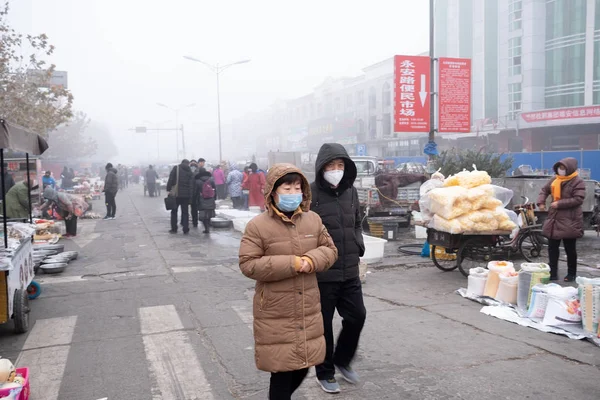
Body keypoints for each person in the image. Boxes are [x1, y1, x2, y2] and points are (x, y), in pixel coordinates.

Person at [239, 164, 338, 400]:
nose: (293, 192)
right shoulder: (258, 226)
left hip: (308, 306)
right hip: (276, 309)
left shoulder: (313, 220)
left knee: (304, 364)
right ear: (273, 191)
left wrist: (311, 261)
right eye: (287, 187)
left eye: (297, 187)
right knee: (282, 370)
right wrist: (292, 264)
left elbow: (330, 250)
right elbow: (248, 264)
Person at [310, 143, 366, 394]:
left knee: (357, 316)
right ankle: (325, 372)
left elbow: (356, 222)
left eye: (340, 165)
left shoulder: (351, 192)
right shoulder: (309, 194)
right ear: (321, 168)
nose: (336, 170)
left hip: (350, 269)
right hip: (323, 274)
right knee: (323, 325)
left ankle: (342, 360)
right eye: (331, 166)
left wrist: (359, 243)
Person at [537, 157, 586, 282]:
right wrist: (541, 202)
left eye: (563, 168)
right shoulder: (555, 179)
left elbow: (578, 199)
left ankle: (571, 274)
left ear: (570, 169)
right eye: (559, 168)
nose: (561, 170)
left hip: (571, 219)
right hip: (554, 218)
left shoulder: (577, 181)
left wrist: (559, 204)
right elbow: (544, 190)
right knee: (552, 248)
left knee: (570, 249)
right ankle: (552, 273)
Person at [166, 159, 194, 234]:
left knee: (174, 211)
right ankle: (185, 229)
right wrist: (190, 197)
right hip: (186, 195)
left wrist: (168, 189)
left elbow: (171, 179)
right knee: (185, 212)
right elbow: (191, 185)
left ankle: (174, 228)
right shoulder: (190, 171)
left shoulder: (176, 168)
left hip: (176, 194)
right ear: (188, 164)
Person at [194, 167, 216, 233]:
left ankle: (206, 228)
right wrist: (214, 198)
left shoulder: (197, 181)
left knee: (203, 215)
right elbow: (215, 189)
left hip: (201, 199)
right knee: (209, 214)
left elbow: (195, 192)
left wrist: (195, 200)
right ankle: (207, 227)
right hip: (210, 199)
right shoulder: (211, 180)